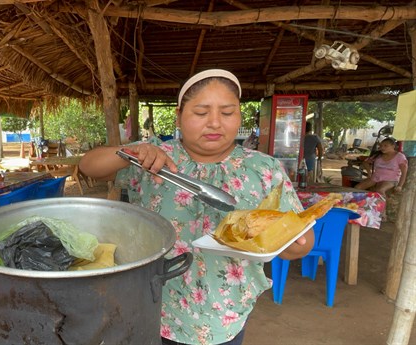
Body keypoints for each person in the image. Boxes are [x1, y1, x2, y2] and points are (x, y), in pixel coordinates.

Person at [79, 69, 313, 345]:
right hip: (153, 306)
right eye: (201, 113)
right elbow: (88, 165)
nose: (215, 123)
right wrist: (133, 152)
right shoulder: (154, 158)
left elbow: (299, 241)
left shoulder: (264, 169)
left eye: (227, 113)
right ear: (179, 115)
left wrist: (293, 244)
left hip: (225, 314)